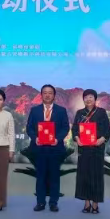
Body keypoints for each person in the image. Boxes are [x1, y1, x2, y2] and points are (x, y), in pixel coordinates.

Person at [26, 84, 70, 212]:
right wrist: (35, 138)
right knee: (40, 176)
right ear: (41, 95)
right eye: (45, 92)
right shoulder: (34, 110)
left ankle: (53, 203)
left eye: (50, 93)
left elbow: (65, 128)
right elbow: (29, 128)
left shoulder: (61, 110)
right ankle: (40, 202)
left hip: (55, 148)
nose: (47, 95)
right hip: (39, 148)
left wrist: (57, 139)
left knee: (54, 176)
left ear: (54, 95)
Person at [72, 89, 110, 214]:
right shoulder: (79, 113)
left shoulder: (101, 112)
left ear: (95, 99)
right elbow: (75, 129)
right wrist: (77, 138)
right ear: (83, 99)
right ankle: (86, 203)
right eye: (86, 97)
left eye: (91, 97)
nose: (88, 99)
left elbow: (107, 129)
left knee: (96, 176)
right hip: (84, 149)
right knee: (84, 176)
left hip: (97, 149)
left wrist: (102, 139)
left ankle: (95, 204)